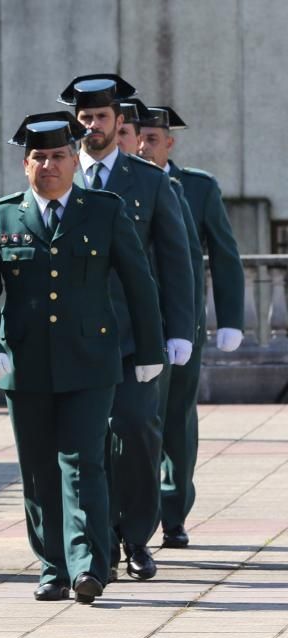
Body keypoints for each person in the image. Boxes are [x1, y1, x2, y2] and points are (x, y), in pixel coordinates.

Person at [0, 111, 164, 604]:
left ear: (74, 161)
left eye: (58, 156)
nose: (49, 165)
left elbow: (139, 284)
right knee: (37, 468)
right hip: (26, 365)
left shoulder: (104, 210)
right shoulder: (2, 216)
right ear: (24, 164)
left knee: (83, 462)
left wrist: (151, 350)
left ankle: (87, 564)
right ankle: (52, 564)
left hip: (92, 362)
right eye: (39, 157)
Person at [59, 74, 195, 581]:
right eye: (85, 117)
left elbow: (175, 259)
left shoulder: (150, 180)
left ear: (121, 123)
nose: (91, 126)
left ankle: (135, 535)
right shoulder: (60, 174)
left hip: (136, 337)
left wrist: (179, 329)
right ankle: (98, 541)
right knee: (86, 443)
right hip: (76, 339)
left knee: (138, 431)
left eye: (101, 117)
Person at [137, 104, 245, 550]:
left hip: (181, 322)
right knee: (135, 419)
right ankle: (131, 513)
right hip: (134, 322)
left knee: (177, 419)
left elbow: (224, 252)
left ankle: (173, 509)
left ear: (169, 143)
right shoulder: (119, 184)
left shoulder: (196, 187)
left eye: (152, 139)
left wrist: (231, 319)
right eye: (136, 136)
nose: (143, 147)